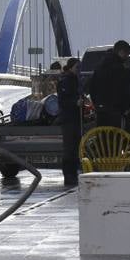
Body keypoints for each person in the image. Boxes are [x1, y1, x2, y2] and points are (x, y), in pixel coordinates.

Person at [86, 40, 130, 130]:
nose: (128, 57)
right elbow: (125, 90)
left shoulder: (99, 68)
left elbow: (91, 87)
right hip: (117, 111)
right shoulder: (121, 69)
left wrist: (97, 104)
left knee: (104, 138)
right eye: (128, 54)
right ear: (121, 52)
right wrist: (126, 107)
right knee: (118, 138)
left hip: (101, 109)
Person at [56, 57, 82, 187]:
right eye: (77, 67)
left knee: (75, 147)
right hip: (68, 118)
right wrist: (75, 102)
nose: (79, 70)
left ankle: (74, 173)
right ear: (71, 67)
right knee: (69, 148)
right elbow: (63, 100)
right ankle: (69, 175)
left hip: (76, 118)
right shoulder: (65, 81)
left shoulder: (76, 80)